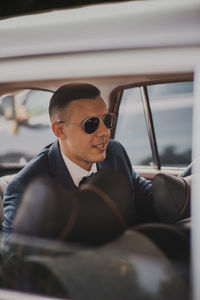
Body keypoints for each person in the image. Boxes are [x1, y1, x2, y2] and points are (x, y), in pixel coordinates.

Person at [2, 83, 156, 238]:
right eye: (91, 124)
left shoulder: (115, 153)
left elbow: (151, 200)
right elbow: (14, 257)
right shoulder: (24, 189)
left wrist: (180, 186)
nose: (104, 132)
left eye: (107, 120)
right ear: (60, 130)